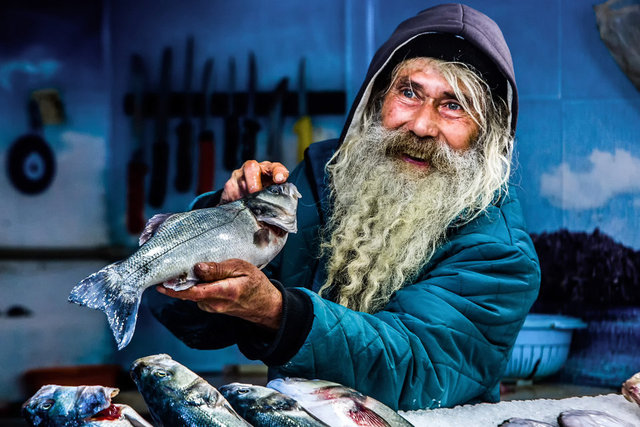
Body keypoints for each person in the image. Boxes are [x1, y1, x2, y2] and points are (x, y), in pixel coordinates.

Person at [148, 3, 540, 411]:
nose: (422, 126)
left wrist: (281, 313)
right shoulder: (320, 182)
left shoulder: (501, 252)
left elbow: (414, 370)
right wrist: (223, 223)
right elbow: (193, 322)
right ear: (377, 98)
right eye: (409, 92)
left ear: (487, 132)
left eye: (454, 105)